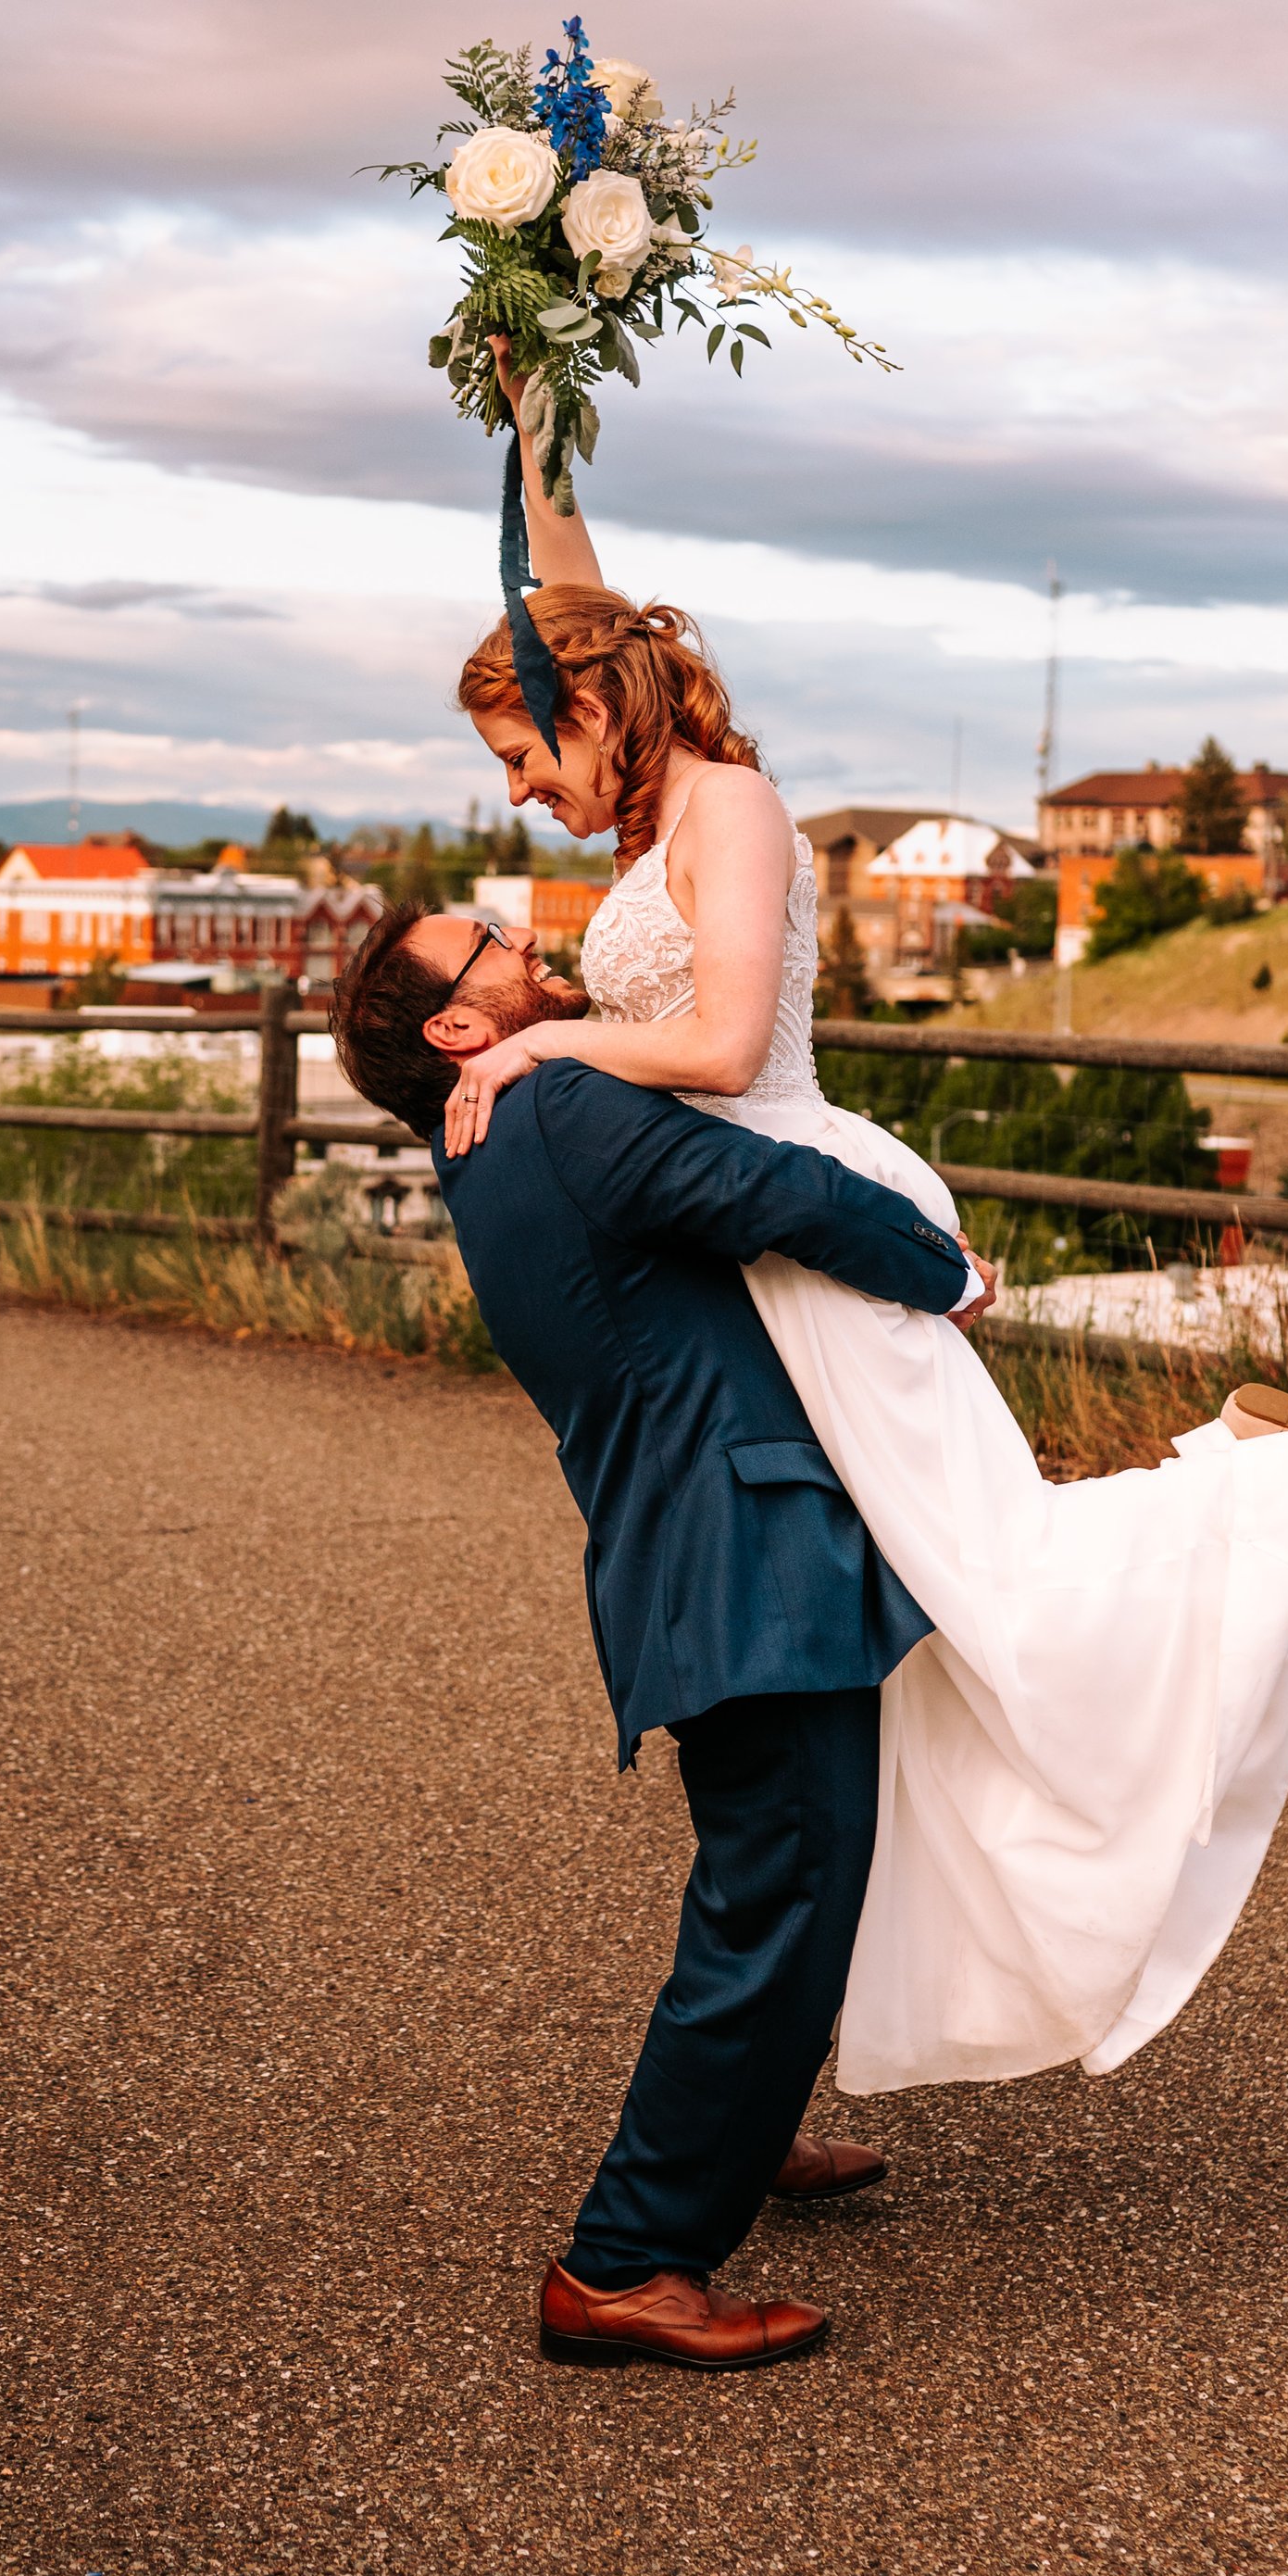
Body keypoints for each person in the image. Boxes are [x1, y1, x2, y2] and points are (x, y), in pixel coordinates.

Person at [372, 347, 1288, 2119]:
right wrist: (539, 411)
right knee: (919, 1646)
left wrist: (549, 1035)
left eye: (514, 748)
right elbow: (571, 597)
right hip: (761, 1264)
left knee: (995, 1596)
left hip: (813, 1230)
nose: (513, 792)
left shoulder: (737, 808)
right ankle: (772, 2080)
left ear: (594, 709)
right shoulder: (663, 803)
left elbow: (713, 1051)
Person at [331, 901, 988, 2369]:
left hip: (702, 1547)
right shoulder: (554, 1101)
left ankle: (735, 2135)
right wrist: (943, 1269)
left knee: (799, 1865)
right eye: (491, 940)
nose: (522, 938)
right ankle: (629, 2259)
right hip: (740, 1554)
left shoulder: (485, 1134)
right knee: (783, 1883)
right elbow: (762, 1188)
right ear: (455, 1026)